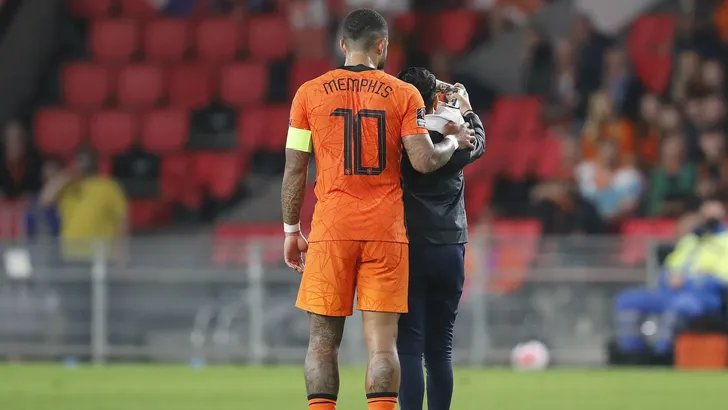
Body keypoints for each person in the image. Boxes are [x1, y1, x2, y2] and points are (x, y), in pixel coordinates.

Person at [280, 9, 475, 410]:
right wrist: (455, 142)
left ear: (342, 46)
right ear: (382, 46)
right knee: (384, 346)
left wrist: (290, 230)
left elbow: (295, 167)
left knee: (321, 343)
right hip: (385, 230)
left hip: (331, 227)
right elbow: (422, 161)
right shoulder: (403, 94)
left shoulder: (308, 94)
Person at [395, 69, 484, 410]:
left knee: (409, 347)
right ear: (434, 99)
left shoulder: (400, 142)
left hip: (410, 246)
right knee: (440, 348)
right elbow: (479, 141)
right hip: (449, 247)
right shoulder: (455, 137)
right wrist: (467, 107)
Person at [614, 198, 728, 356]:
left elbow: (722, 280)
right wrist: (668, 277)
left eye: (713, 214)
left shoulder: (725, 241)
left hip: (702, 296)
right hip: (670, 292)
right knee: (627, 300)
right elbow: (669, 268)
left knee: (679, 305)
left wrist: (687, 282)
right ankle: (632, 354)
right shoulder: (690, 241)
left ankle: (663, 355)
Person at [40, 148, 127, 261]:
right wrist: (67, 174)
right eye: (80, 160)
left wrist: (121, 255)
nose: (84, 164)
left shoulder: (109, 187)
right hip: (70, 254)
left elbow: (122, 222)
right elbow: (45, 200)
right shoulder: (67, 186)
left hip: (100, 256)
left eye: (87, 160)